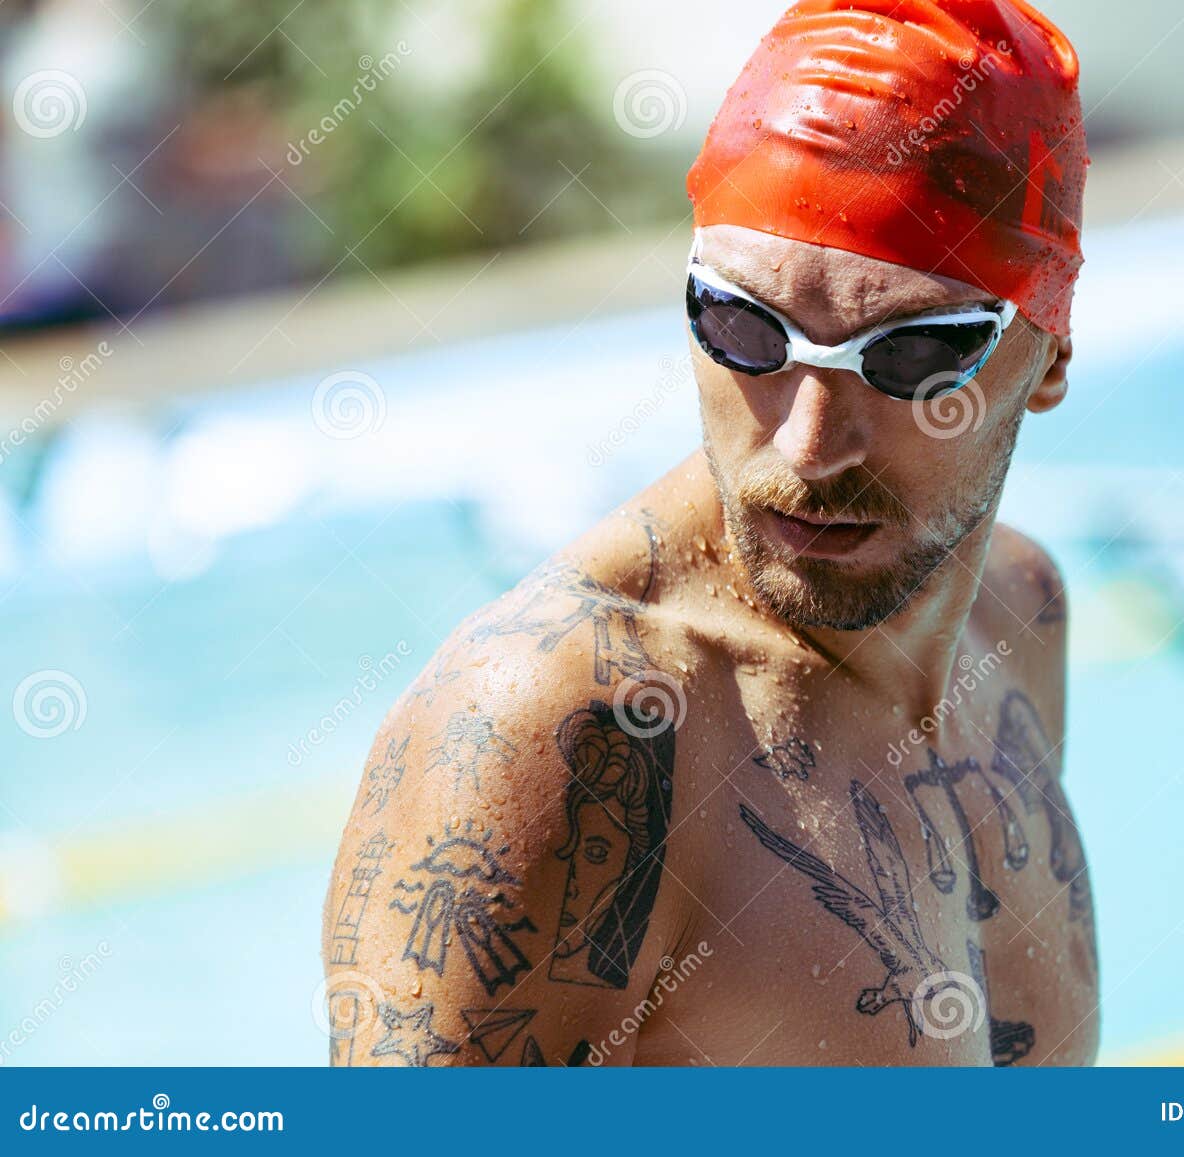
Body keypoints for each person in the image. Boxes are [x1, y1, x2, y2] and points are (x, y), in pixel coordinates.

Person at [323, 0, 1097, 1067]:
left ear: (1049, 353)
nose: (809, 446)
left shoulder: (1017, 617)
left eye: (912, 353)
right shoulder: (560, 729)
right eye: (745, 326)